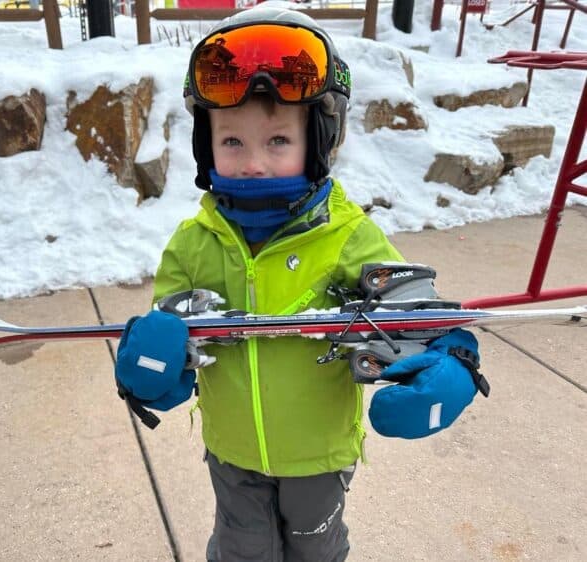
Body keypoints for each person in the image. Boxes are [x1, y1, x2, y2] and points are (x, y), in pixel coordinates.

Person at [114, 8, 485, 561]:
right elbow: (172, 339)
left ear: (318, 140)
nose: (254, 163)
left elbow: (418, 314)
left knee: (316, 549)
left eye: (278, 140)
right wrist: (150, 371)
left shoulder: (348, 237)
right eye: (232, 141)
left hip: (319, 456)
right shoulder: (193, 245)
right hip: (233, 453)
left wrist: (455, 358)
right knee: (241, 550)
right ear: (204, 143)